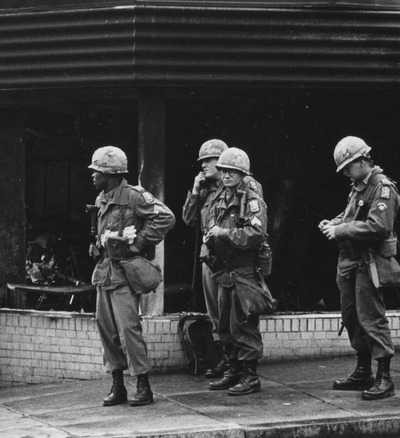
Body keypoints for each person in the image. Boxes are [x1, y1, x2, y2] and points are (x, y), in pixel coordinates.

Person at [88, 146, 175, 407]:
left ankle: (142, 386)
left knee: (129, 330)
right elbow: (104, 233)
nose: (93, 176)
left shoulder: (135, 196)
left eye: (97, 172)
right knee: (107, 330)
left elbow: (165, 218)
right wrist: (96, 245)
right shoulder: (103, 198)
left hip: (125, 274)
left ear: (109, 174)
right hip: (105, 273)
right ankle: (117, 385)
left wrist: (138, 243)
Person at [319, 136, 400, 401]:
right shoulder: (358, 186)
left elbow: (378, 226)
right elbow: (352, 215)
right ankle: (363, 370)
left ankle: (384, 377)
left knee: (371, 318)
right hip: (350, 261)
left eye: (348, 167)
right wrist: (334, 222)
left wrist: (340, 229)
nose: (344, 173)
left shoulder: (382, 188)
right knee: (351, 317)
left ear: (363, 161)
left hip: (369, 261)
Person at [182, 139, 264, 380]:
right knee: (219, 314)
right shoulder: (208, 190)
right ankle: (228, 362)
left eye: (209, 161)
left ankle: (241, 367)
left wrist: (224, 235)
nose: (204, 166)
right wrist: (196, 191)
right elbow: (189, 219)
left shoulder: (245, 188)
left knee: (239, 317)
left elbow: (254, 227)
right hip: (213, 260)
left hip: (237, 262)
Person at [203, 147, 268, 396]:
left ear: (243, 174)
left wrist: (224, 235)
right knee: (225, 325)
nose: (227, 175)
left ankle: (250, 376)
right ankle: (233, 371)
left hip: (244, 271)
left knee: (244, 325)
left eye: (232, 171)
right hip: (225, 271)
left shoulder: (251, 200)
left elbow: (256, 234)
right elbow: (211, 223)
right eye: (224, 171)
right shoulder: (222, 198)